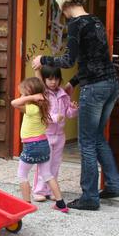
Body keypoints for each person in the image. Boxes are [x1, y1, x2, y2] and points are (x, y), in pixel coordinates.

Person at [32, 0, 119, 211]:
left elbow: (69, 60)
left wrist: (44, 60)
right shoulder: (95, 21)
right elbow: (94, 59)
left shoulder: (75, 24)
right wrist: (72, 83)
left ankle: (89, 197)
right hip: (111, 83)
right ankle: (112, 184)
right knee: (98, 137)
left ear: (64, 4)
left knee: (87, 142)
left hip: (95, 88)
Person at [11, 77, 68, 213]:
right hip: (44, 144)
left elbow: (14, 103)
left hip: (32, 146)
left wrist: (29, 97)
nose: (22, 96)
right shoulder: (43, 107)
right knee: (47, 174)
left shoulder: (32, 108)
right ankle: (61, 204)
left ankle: (26, 204)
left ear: (32, 95)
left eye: (24, 94)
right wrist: (32, 97)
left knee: (22, 174)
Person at [32, 65, 78, 202]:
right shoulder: (43, 95)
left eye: (56, 79)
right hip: (45, 134)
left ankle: (52, 190)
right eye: (50, 79)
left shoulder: (64, 95)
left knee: (55, 164)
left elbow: (68, 114)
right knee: (44, 163)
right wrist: (53, 117)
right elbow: (41, 114)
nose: (53, 82)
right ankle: (39, 191)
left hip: (60, 136)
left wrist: (74, 109)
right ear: (44, 80)